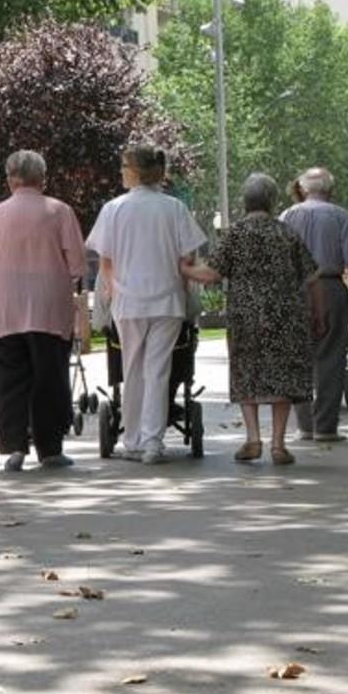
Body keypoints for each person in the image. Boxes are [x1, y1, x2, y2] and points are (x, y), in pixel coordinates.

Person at [183, 174, 319, 465]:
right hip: (285, 313)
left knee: (247, 371)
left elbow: (212, 274)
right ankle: (279, 444)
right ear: (272, 201)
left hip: (246, 316)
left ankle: (253, 439)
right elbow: (310, 275)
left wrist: (185, 269)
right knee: (281, 374)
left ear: (245, 201)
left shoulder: (235, 234)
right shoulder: (286, 233)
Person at [86, 145, 206, 465]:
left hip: (129, 301)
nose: (121, 171)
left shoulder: (114, 209)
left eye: (124, 166)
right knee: (159, 371)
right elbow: (187, 259)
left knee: (132, 369)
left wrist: (112, 294)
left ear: (135, 171)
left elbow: (106, 262)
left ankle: (133, 439)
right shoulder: (175, 208)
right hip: (167, 300)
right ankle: (153, 442)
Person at [0, 150, 86, 472]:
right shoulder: (59, 212)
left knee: (8, 379)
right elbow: (77, 264)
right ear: (43, 178)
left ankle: (14, 448)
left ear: (11, 179)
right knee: (49, 377)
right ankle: (50, 449)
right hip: (49, 310)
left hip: (5, 309)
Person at [278, 168, 348, 442]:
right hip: (329, 285)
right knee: (331, 357)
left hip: (294, 287)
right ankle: (325, 426)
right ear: (330, 188)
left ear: (303, 188)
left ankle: (305, 425)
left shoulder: (288, 216)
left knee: (298, 358)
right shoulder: (341, 216)